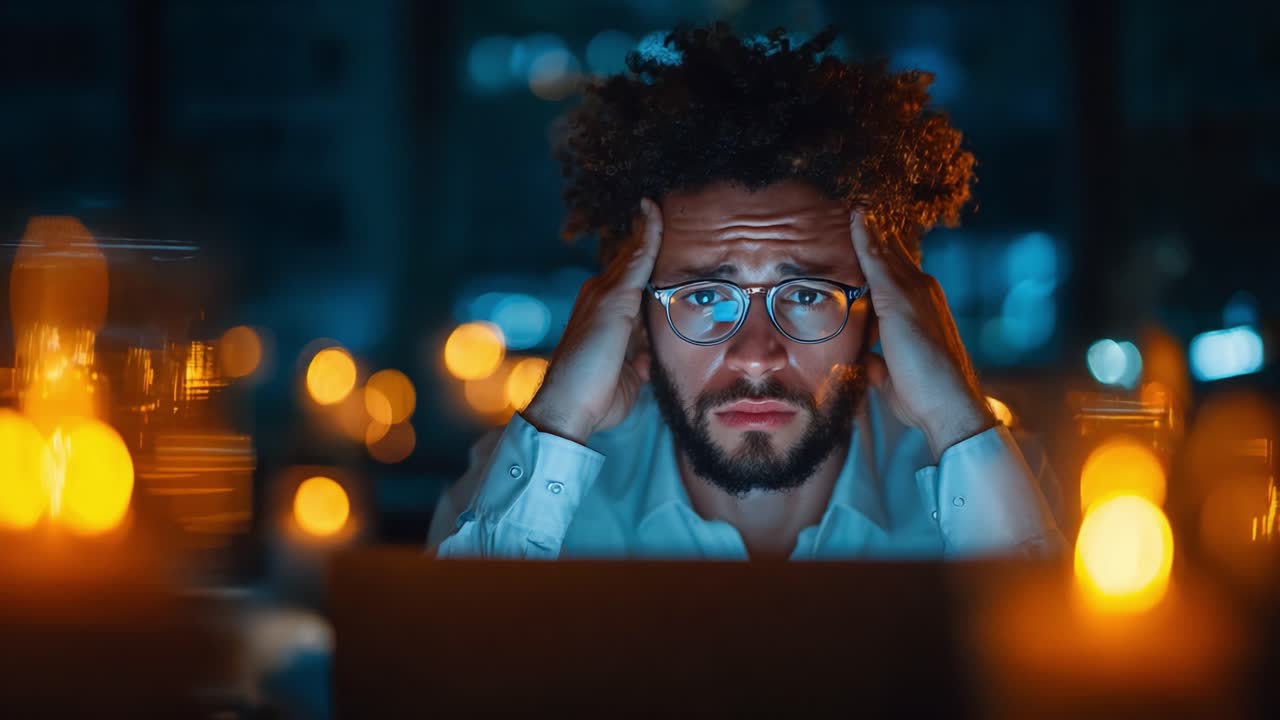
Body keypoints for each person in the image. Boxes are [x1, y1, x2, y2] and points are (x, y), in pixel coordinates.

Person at [428, 23, 1064, 560]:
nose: (756, 355)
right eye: (703, 297)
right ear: (633, 317)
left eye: (808, 294)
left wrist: (956, 422)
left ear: (881, 315)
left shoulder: (995, 480)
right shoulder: (525, 485)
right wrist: (561, 417)